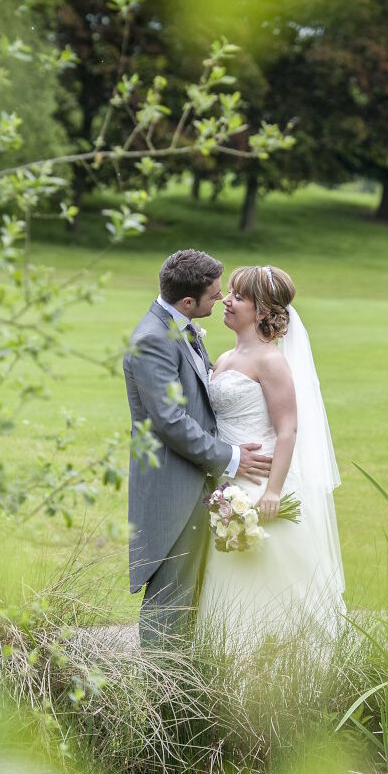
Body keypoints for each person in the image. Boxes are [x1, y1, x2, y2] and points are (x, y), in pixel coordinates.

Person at [123, 249, 272, 647]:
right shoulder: (152, 340)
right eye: (214, 295)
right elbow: (169, 421)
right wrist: (233, 456)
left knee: (190, 595)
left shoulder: (179, 325)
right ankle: (159, 697)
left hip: (197, 481)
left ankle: (181, 686)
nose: (222, 300)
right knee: (170, 597)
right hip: (173, 485)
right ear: (188, 302)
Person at [198, 265, 345, 650]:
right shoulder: (225, 357)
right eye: (228, 293)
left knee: (274, 578)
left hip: (260, 485)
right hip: (227, 483)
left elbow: (287, 430)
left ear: (262, 312)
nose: (225, 301)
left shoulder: (271, 361)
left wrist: (273, 492)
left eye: (238, 297)